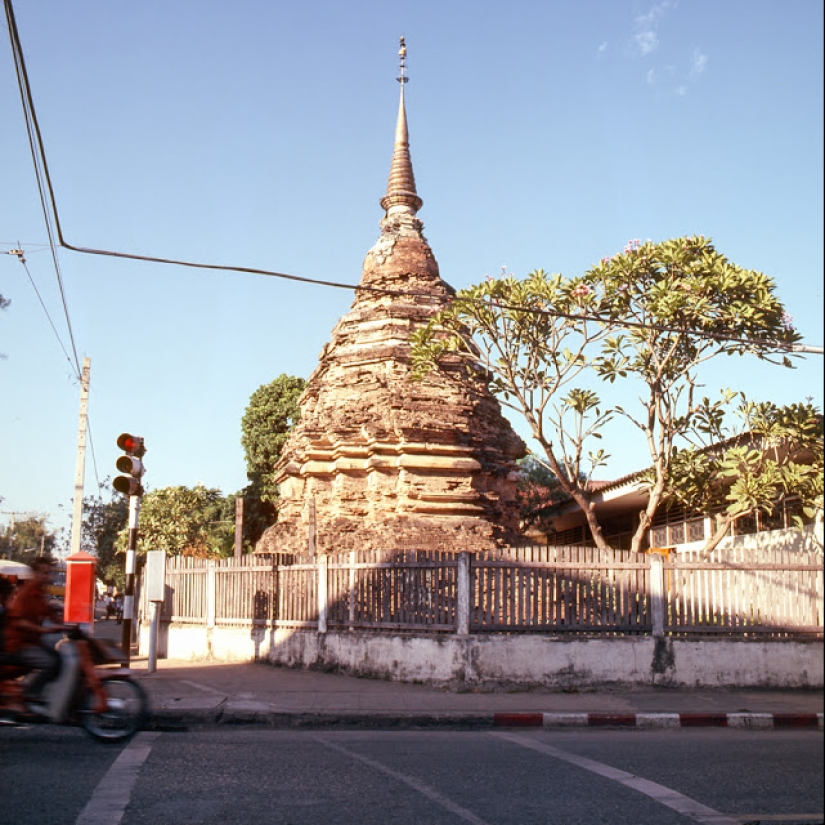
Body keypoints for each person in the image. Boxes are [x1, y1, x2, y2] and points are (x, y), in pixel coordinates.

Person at [4, 556, 69, 705]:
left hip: (33, 642)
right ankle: (30, 694)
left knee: (61, 658)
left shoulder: (39, 594)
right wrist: (42, 630)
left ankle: (39, 692)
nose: (47, 577)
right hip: (20, 645)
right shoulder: (24, 594)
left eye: (48, 573)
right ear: (34, 573)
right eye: (43, 573)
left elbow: (49, 613)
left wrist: (67, 625)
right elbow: (18, 621)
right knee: (52, 663)